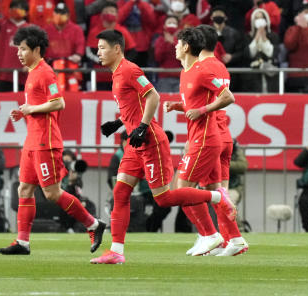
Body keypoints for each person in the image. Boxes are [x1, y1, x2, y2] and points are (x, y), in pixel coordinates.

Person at [91, 29, 237, 264]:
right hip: (133, 143)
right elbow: (134, 105)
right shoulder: (117, 74)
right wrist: (119, 123)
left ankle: (217, 198)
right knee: (120, 192)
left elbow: (153, 96)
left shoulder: (129, 69)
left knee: (163, 198)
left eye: (102, 47)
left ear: (117, 48)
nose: (98, 52)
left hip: (150, 141)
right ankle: (116, 251)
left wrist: (142, 126)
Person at [0, 25, 104, 255]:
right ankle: (22, 243)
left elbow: (59, 102)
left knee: (52, 194)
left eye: (23, 49)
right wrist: (25, 111)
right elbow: (38, 106)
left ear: (36, 49)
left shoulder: (45, 72)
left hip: (46, 142)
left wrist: (30, 109)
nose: (19, 53)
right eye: (18, 49)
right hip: (32, 141)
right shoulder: (31, 72)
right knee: (24, 189)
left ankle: (93, 224)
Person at [165, 27, 246, 256]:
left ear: (187, 46)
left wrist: (202, 110)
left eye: (178, 43)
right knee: (205, 188)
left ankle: (209, 235)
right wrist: (178, 106)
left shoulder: (202, 70)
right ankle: (234, 239)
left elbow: (227, 97)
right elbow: (196, 101)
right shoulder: (194, 71)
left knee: (181, 190)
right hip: (213, 136)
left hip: (207, 139)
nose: (175, 46)